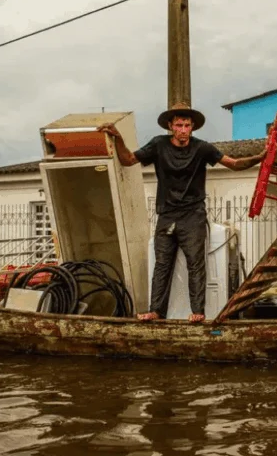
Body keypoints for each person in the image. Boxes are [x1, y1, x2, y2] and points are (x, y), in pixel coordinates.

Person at [99, 102, 266, 323]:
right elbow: (128, 160)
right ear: (171, 126)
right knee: (162, 264)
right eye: (179, 125)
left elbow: (233, 164)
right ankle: (156, 311)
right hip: (166, 215)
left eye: (187, 125)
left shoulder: (202, 148)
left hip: (193, 215)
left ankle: (198, 311)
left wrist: (258, 158)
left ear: (192, 127)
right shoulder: (158, 145)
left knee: (195, 263)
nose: (183, 130)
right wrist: (118, 137)